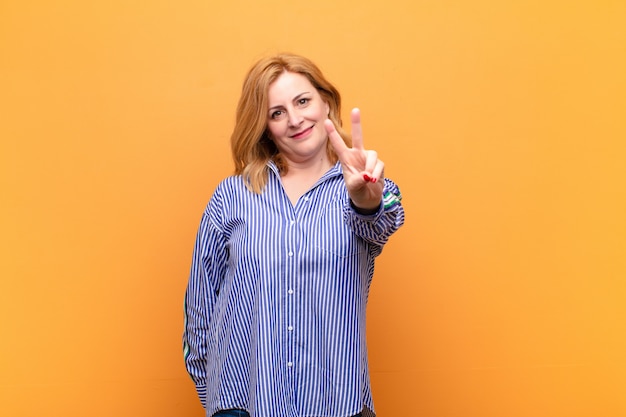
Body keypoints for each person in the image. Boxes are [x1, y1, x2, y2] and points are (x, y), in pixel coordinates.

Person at [183, 53, 404, 417]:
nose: (295, 119)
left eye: (302, 101)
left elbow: (383, 222)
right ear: (265, 126)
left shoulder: (368, 186)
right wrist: (215, 397)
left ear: (325, 102)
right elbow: (200, 306)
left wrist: (367, 200)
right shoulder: (232, 196)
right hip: (244, 403)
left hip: (338, 404)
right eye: (277, 112)